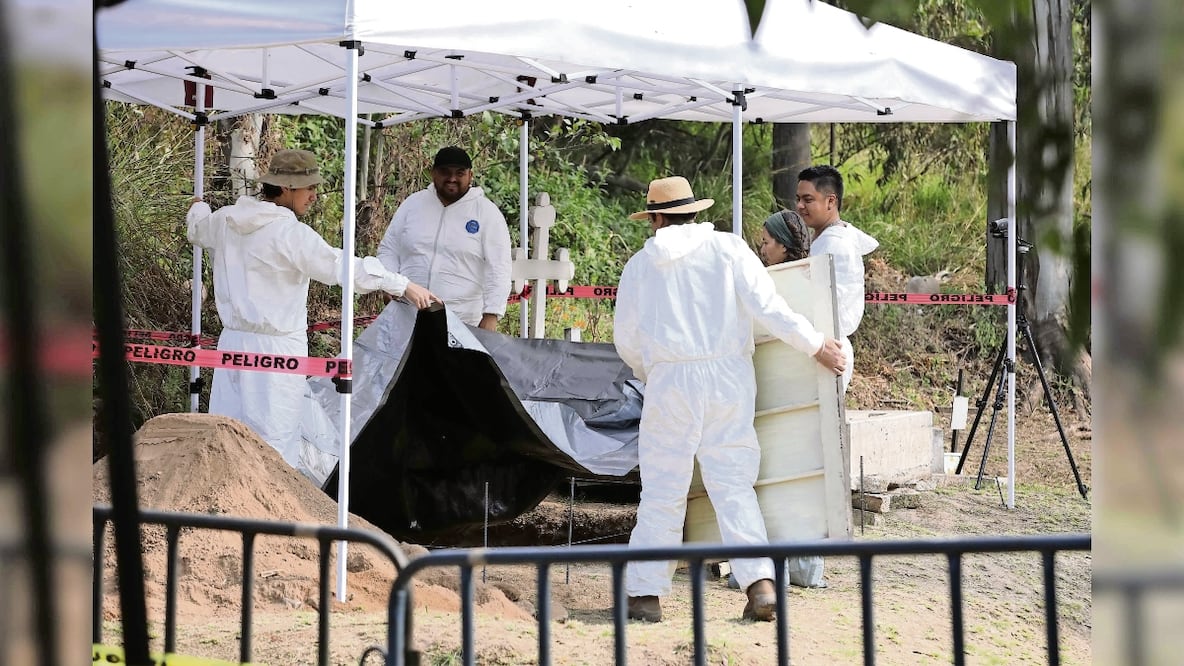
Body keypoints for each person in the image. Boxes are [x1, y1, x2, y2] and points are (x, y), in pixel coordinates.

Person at [613, 176, 846, 623]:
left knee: (663, 490)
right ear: (694, 212)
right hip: (727, 378)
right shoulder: (728, 249)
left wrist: (658, 371)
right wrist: (815, 344)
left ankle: (644, 594)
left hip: (671, 382)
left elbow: (627, 341)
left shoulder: (642, 266)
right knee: (734, 485)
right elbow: (769, 307)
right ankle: (760, 584)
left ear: (657, 218)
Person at [187, 148, 436, 468]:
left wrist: (198, 208)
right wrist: (402, 284)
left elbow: (197, 228)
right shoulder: (289, 234)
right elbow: (342, 267)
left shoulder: (225, 221)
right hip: (277, 351)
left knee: (228, 436)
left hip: (232, 346)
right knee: (274, 442)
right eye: (310, 188)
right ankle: (269, 514)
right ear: (288, 187)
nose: (315, 196)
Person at [377, 146, 512, 331]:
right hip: (407, 316)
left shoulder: (487, 213)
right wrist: (389, 284)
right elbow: (389, 249)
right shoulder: (413, 205)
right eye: (445, 172)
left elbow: (499, 267)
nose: (452, 178)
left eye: (460, 173)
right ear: (433, 173)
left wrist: (492, 314)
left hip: (463, 322)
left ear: (470, 176)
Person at [795, 165, 879, 393]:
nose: (800, 206)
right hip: (817, 346)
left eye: (808, 199)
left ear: (830, 202)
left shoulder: (836, 246)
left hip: (830, 350)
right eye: (798, 199)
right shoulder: (824, 240)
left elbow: (834, 309)